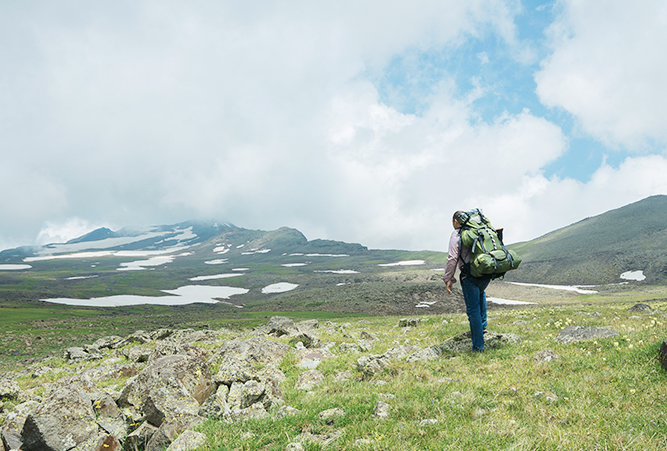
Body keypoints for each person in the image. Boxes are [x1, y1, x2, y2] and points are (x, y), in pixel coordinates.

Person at [442, 210, 490, 352]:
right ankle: (483, 327)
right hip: (484, 272)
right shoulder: (478, 230)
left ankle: (478, 347)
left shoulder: (457, 235)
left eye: (452, 222)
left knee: (473, 310)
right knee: (481, 294)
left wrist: (448, 278)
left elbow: (452, 259)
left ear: (456, 221)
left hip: (469, 275)